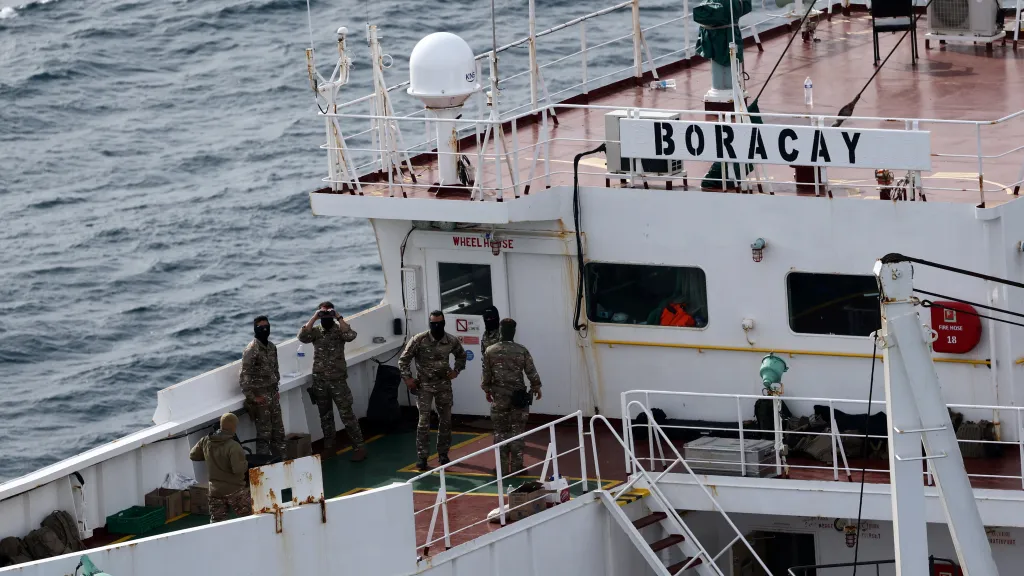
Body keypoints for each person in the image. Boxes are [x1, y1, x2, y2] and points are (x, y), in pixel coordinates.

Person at [398, 310, 467, 471]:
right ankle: (422, 457)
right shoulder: (419, 340)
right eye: (433, 323)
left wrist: (456, 371)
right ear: (429, 324)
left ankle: (443, 454)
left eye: (439, 323)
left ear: (443, 323)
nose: (436, 326)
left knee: (446, 420)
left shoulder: (451, 340)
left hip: (443, 385)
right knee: (423, 422)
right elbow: (404, 360)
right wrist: (408, 379)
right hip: (424, 386)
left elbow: (461, 356)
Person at [298, 301, 367, 461]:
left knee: (347, 415)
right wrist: (314, 317)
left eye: (327, 313)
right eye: (323, 313)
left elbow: (351, 336)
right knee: (325, 416)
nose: (325, 317)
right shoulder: (316, 331)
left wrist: (339, 317)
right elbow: (302, 337)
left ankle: (359, 447)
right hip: (320, 381)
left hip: (338, 381)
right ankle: (330, 447)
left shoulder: (339, 330)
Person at [481, 318, 542, 476]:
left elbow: (486, 375)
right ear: (514, 331)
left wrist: (487, 390)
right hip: (518, 397)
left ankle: (500, 468)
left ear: (500, 331)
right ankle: (517, 467)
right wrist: (536, 387)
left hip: (499, 397)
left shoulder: (490, 351)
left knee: (500, 432)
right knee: (517, 431)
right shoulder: (521, 350)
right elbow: (531, 371)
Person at [189, 413, 252, 523]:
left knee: (217, 523)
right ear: (233, 427)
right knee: (249, 519)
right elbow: (237, 469)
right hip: (235, 490)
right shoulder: (233, 446)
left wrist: (210, 456)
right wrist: (246, 463)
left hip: (215, 491)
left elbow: (193, 455)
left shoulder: (206, 441)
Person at [239, 315, 286, 457]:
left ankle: (282, 460)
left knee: (279, 430)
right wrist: (253, 398)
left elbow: (275, 369)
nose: (265, 329)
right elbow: (244, 376)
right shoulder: (251, 350)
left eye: (267, 326)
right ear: (255, 329)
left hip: (272, 394)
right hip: (261, 398)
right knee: (264, 434)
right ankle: (264, 464)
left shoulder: (271, 347)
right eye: (261, 327)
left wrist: (276, 389)